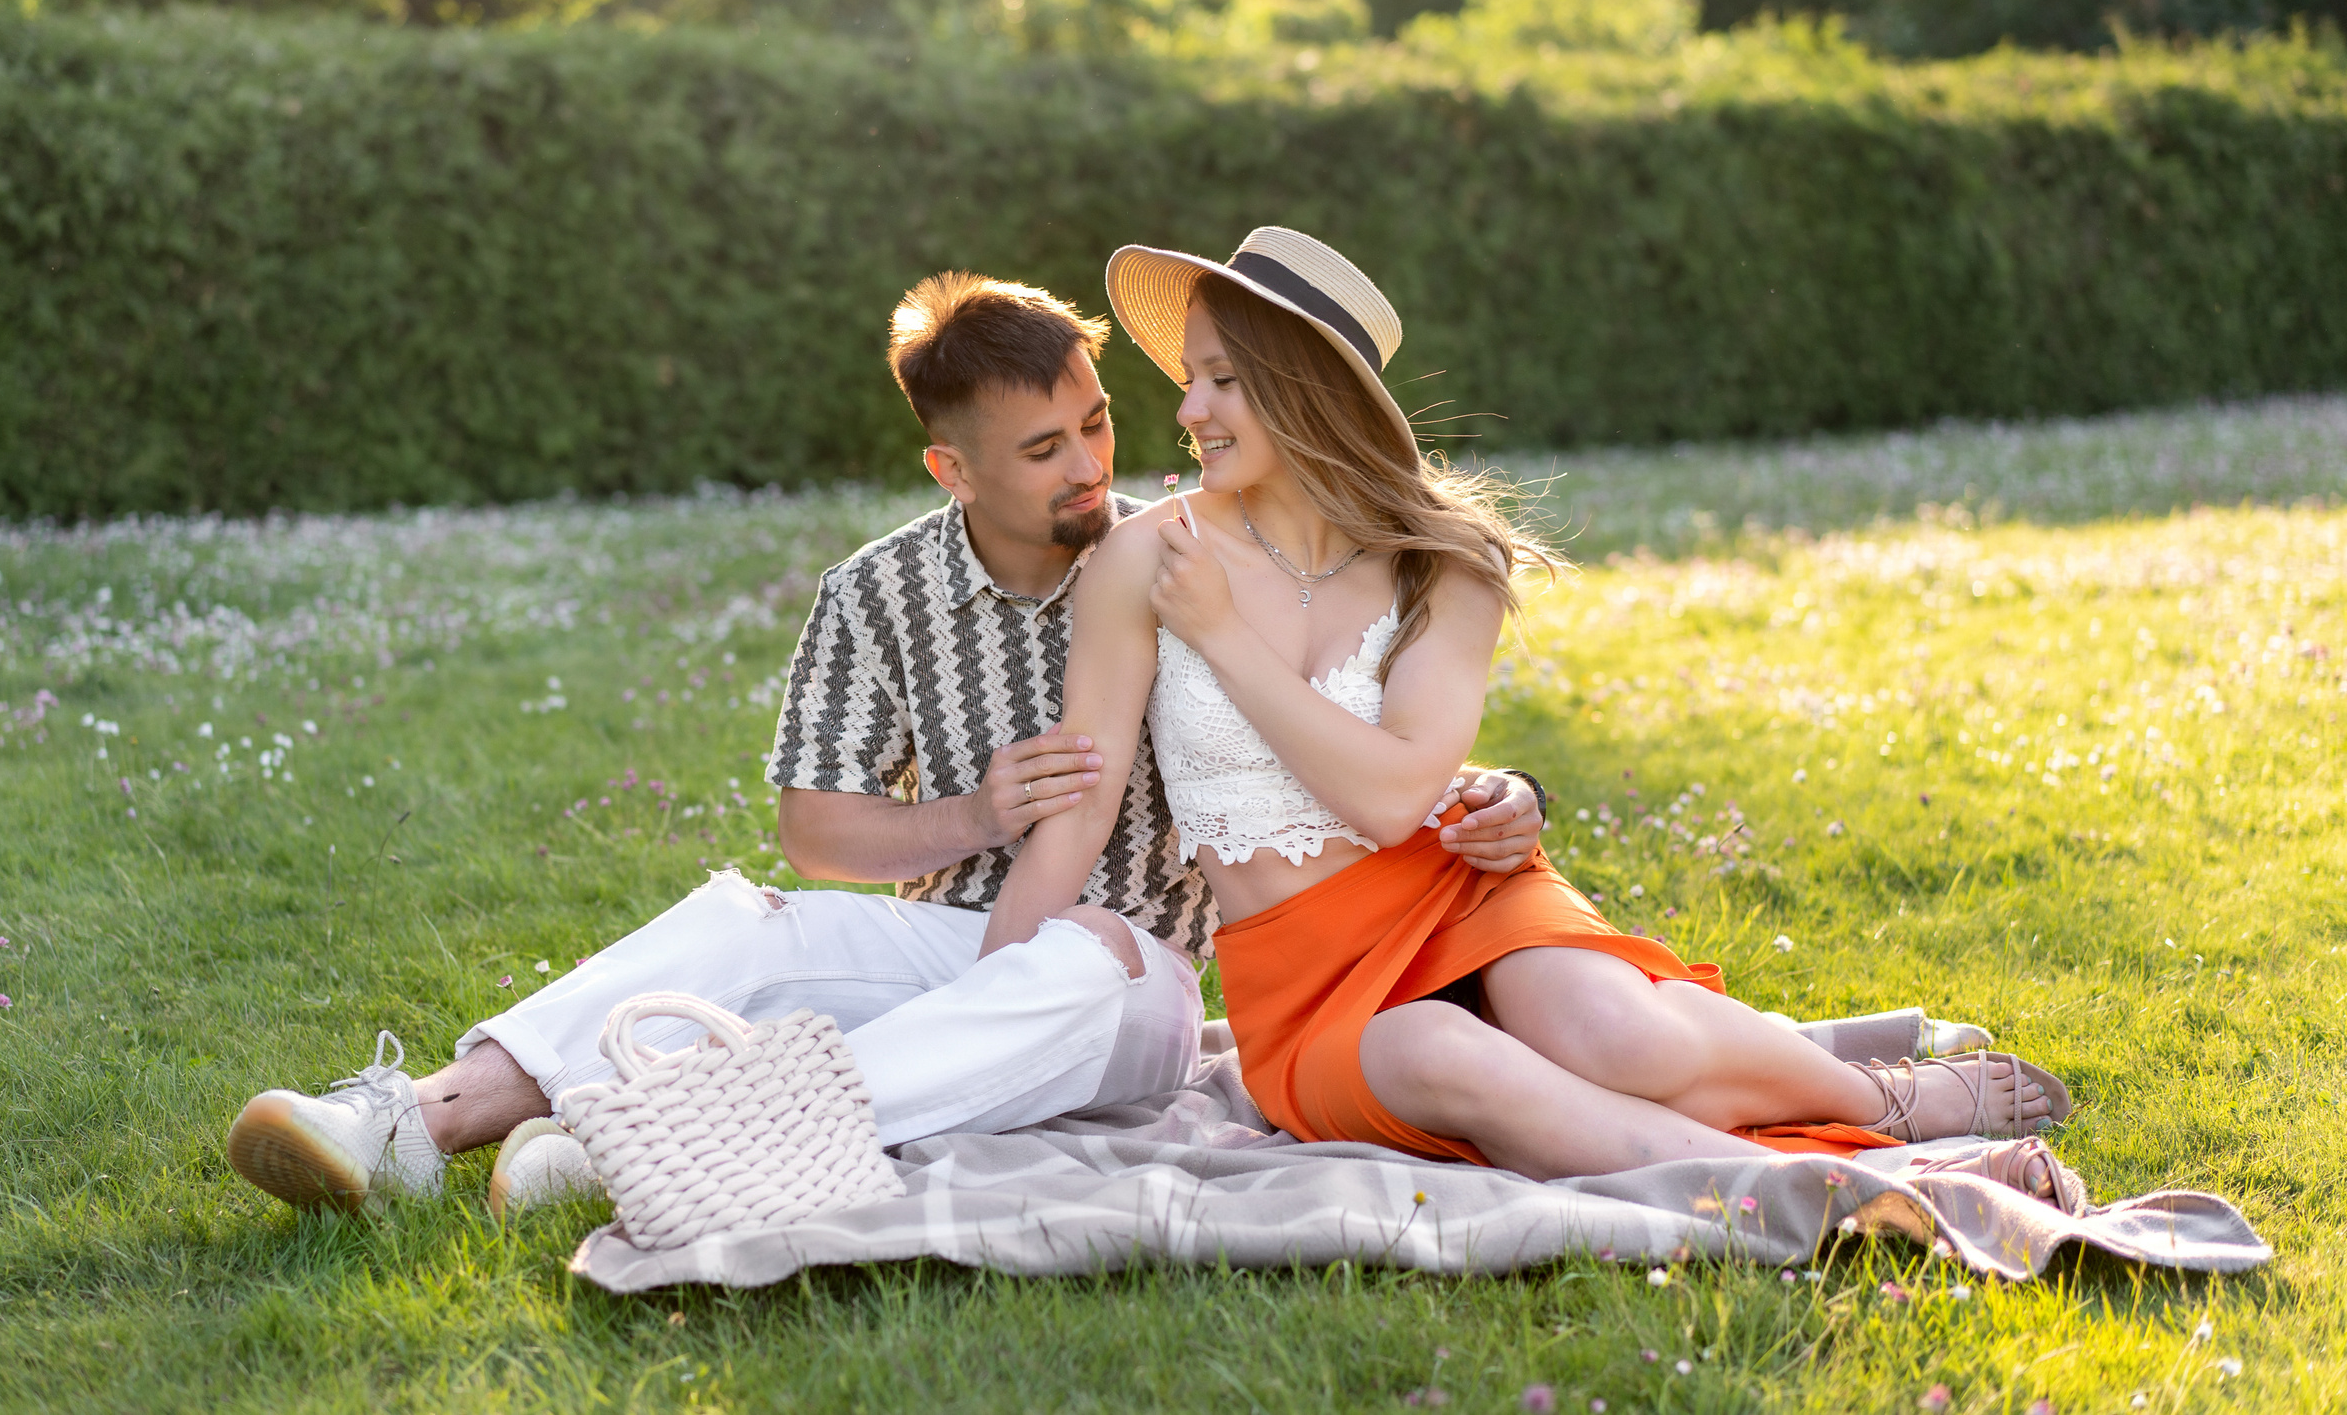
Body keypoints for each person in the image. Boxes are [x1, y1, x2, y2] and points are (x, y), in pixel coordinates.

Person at [223, 271, 1554, 1216]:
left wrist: (1501, 787)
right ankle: (410, 1120)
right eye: (1043, 449)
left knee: (1081, 960)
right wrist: (975, 812)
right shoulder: (877, 592)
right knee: (746, 921)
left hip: (1123, 972)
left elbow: (1353, 715)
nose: (1095, 463)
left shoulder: (1186, 546)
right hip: (955, 944)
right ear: (953, 471)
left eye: (1096, 421)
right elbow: (814, 828)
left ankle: (658, 1136)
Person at [980, 228, 2072, 1195]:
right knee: (1437, 1056)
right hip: (1304, 990)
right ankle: (1880, 1186)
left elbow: (1396, 793)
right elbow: (1077, 803)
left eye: (1219, 380)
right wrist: (983, 1015)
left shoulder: (1445, 568)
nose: (1186, 409)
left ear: (1305, 390)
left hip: (1458, 899)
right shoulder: (1145, 558)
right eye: (1189, 378)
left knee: (1615, 1038)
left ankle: (1875, 1104)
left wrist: (1222, 635)